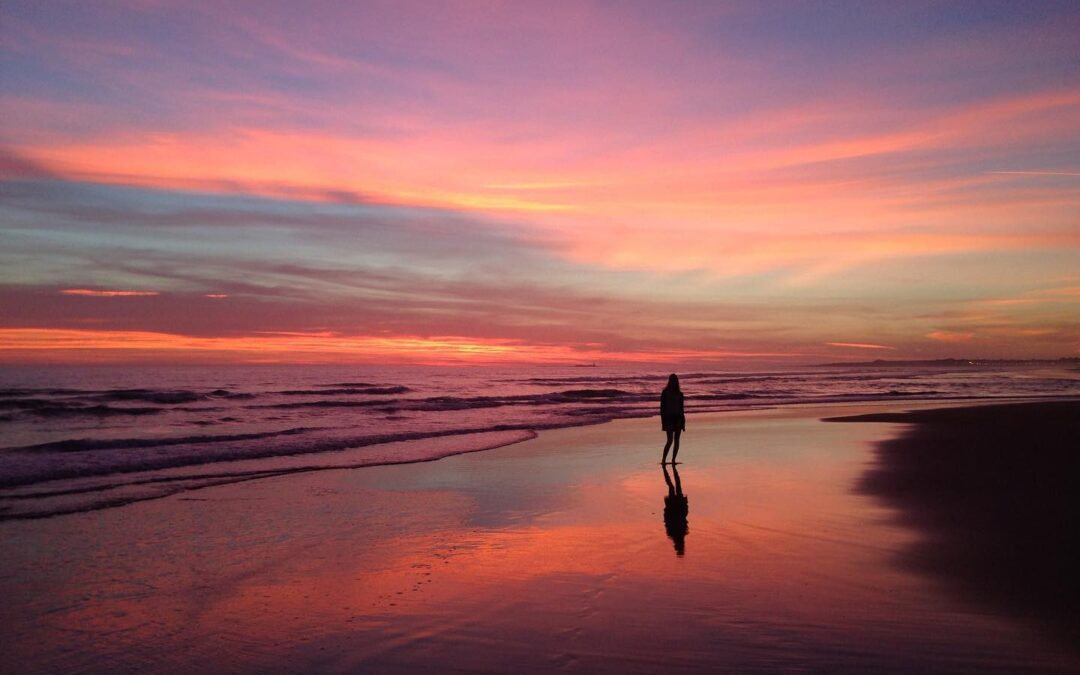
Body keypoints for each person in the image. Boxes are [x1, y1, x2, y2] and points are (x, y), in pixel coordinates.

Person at [662, 464, 689, 555]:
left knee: (674, 486)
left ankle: (667, 469)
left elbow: (667, 519)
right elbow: (683, 517)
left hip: (674, 506)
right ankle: (669, 469)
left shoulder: (672, 533)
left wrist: (666, 508)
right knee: (674, 486)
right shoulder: (679, 532)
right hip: (677, 506)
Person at [660, 373, 685, 464]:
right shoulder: (665, 393)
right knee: (670, 440)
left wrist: (683, 422)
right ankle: (664, 459)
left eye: (674, 380)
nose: (673, 382)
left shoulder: (680, 394)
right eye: (672, 380)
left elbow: (681, 409)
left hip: (678, 418)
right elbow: (662, 408)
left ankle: (673, 460)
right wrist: (663, 421)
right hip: (669, 418)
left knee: (676, 440)